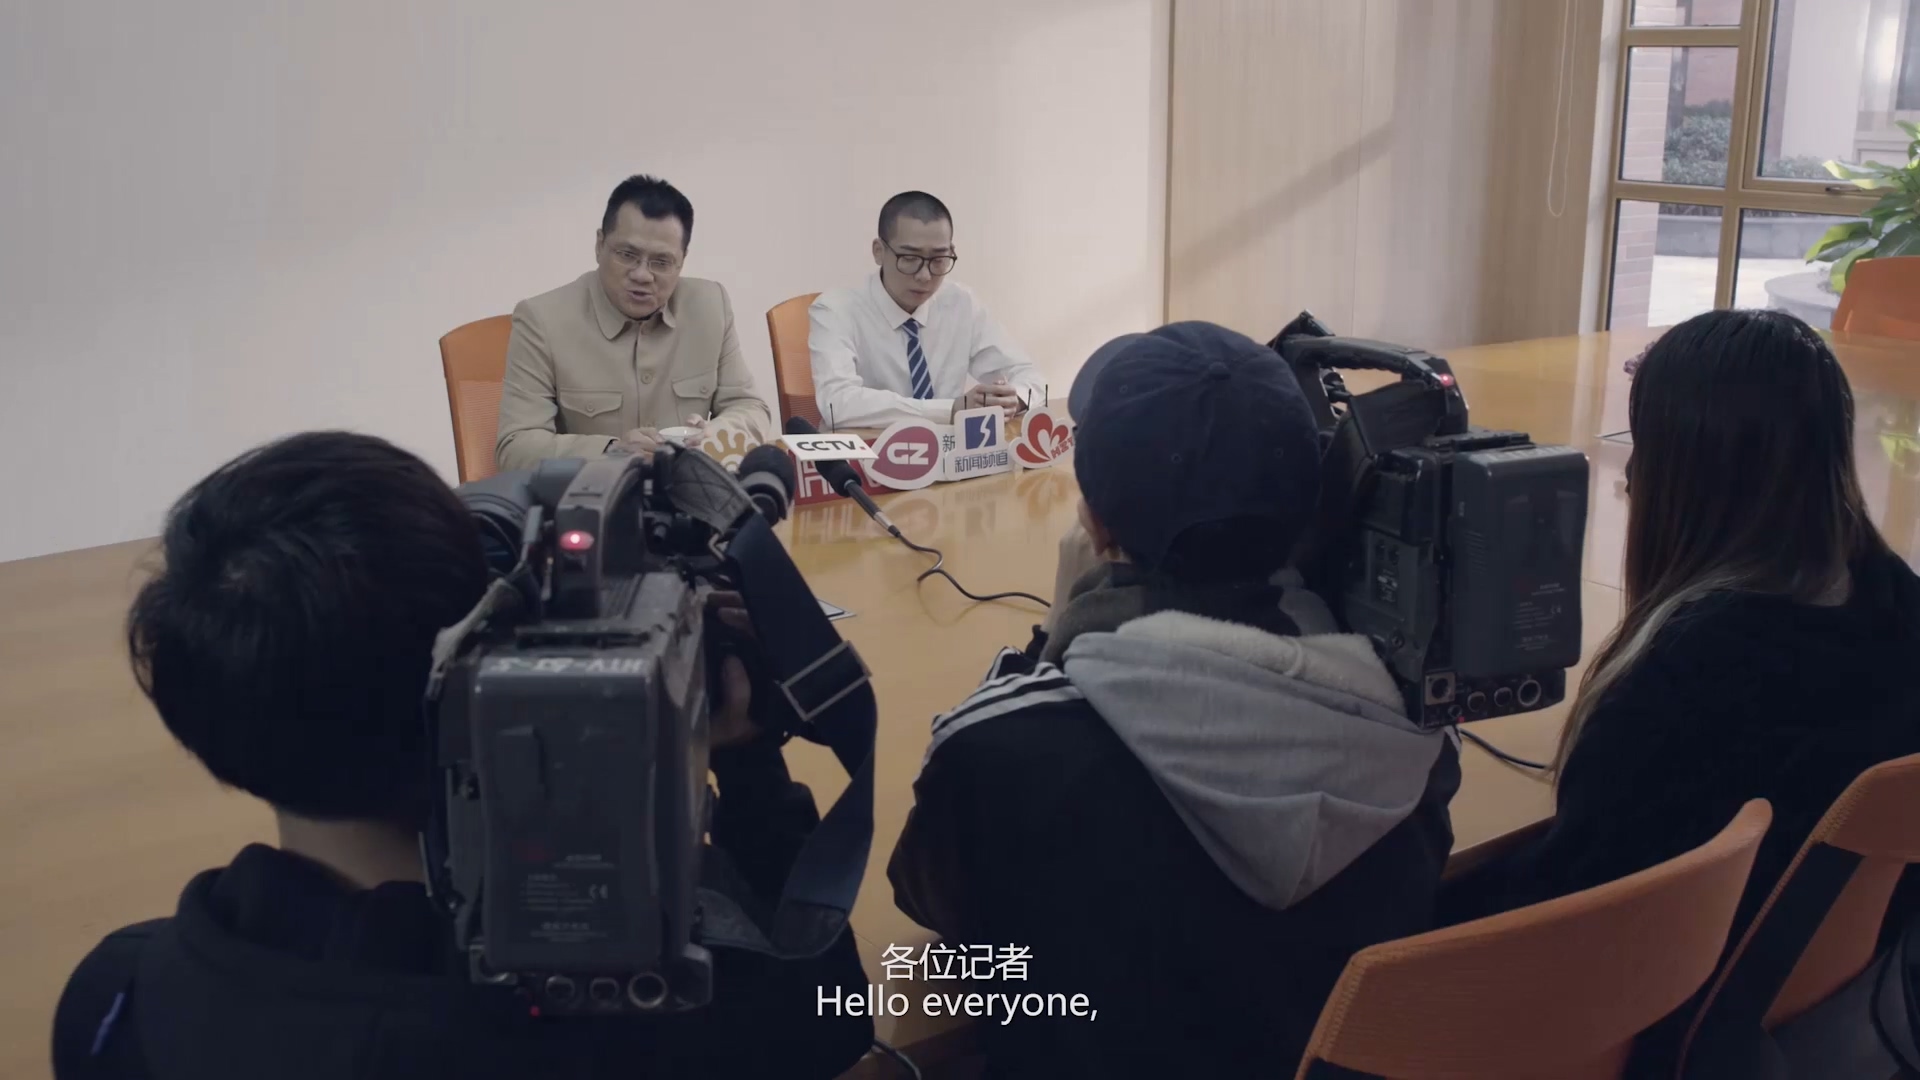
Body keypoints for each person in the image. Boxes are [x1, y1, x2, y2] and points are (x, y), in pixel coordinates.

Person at [51, 432, 872, 1080]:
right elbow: (830, 1021)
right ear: (491, 679)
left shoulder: (114, 997)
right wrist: (748, 764)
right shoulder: (665, 1024)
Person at [886, 322, 1462, 1078]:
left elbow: (931, 902)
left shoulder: (1000, 749)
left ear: (1095, 527)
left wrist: (1055, 634)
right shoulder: (1416, 729)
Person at [1438, 309, 1920, 1064]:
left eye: (1646, 447)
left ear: (1690, 479)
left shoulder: (1677, 690)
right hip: (1802, 1006)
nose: (1630, 475)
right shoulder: (1898, 608)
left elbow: (1561, 919)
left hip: (1627, 1028)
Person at [495, 175, 772, 470]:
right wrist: (611, 450)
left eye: (661, 262)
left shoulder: (710, 306)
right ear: (599, 245)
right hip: (593, 493)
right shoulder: (542, 320)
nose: (642, 275)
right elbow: (515, 447)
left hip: (688, 489)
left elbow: (751, 408)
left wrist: (714, 435)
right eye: (627, 255)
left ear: (682, 260)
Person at [808, 191, 1046, 429]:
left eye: (938, 260)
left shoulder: (961, 303)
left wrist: (1014, 399)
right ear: (879, 251)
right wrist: (949, 410)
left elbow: (1029, 376)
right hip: (869, 448)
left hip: (949, 449)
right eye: (910, 258)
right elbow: (837, 403)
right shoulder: (835, 311)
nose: (924, 276)